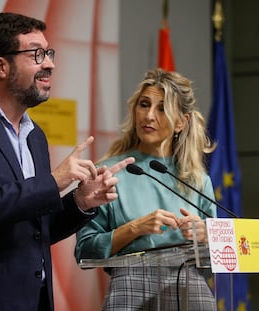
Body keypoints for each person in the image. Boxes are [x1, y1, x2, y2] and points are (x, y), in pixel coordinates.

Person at [0, 12, 134, 311]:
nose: (50, 64)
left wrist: (79, 202)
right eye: (37, 54)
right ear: (1, 66)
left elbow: (32, 229)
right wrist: (54, 182)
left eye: (49, 53)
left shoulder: (35, 137)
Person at [75, 68, 217, 310]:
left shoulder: (198, 180)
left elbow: (220, 258)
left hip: (190, 291)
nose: (149, 115)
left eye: (162, 108)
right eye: (144, 104)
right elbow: (85, 251)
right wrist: (135, 228)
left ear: (182, 122)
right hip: (130, 291)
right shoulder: (109, 173)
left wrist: (206, 237)